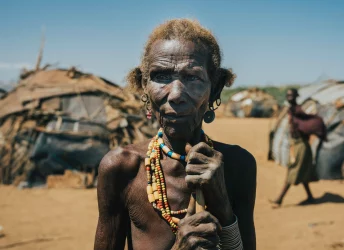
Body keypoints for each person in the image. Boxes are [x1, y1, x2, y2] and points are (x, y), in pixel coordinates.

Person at [94, 19, 256, 250]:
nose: (176, 94)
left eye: (192, 77)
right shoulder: (122, 168)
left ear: (216, 87)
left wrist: (221, 205)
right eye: (161, 76)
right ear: (144, 84)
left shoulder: (239, 165)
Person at [270, 88, 326, 208]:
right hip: (296, 145)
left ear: (296, 96)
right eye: (288, 95)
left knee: (293, 171)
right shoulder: (290, 110)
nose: (289, 97)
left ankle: (279, 199)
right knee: (303, 173)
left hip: (301, 146)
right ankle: (310, 197)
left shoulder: (297, 110)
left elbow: (306, 121)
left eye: (292, 95)